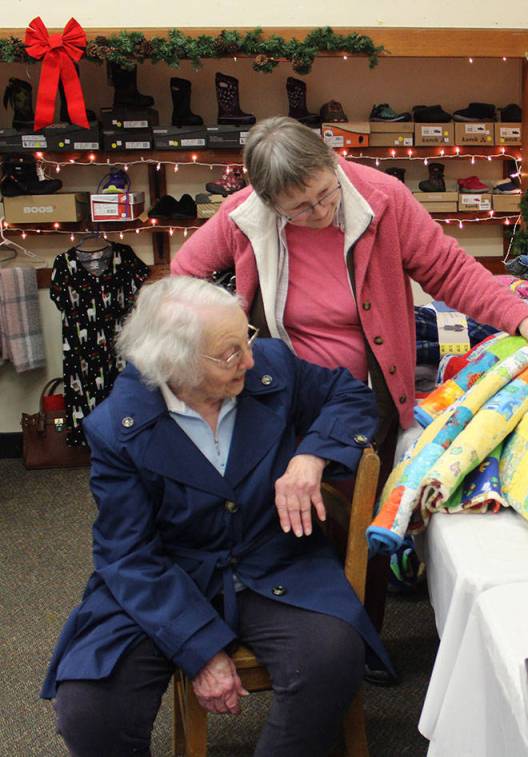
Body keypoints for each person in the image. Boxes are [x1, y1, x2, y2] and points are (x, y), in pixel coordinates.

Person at [171, 116, 528, 675]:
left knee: (361, 513)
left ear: (333, 164)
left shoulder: (382, 197)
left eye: (326, 193)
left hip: (367, 390)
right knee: (283, 511)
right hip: (282, 392)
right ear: (268, 200)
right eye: (300, 209)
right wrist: (226, 334)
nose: (321, 213)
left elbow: (449, 269)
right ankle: (296, 633)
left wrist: (522, 320)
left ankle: (359, 643)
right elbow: (184, 276)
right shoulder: (244, 217)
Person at [42, 277, 388, 757]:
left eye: (244, 337)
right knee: (89, 710)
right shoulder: (116, 429)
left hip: (276, 560)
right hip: (170, 578)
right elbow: (128, 555)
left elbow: (350, 397)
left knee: (331, 660)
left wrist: (312, 455)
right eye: (228, 353)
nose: (248, 359)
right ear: (173, 364)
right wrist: (200, 648)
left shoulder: (270, 366)